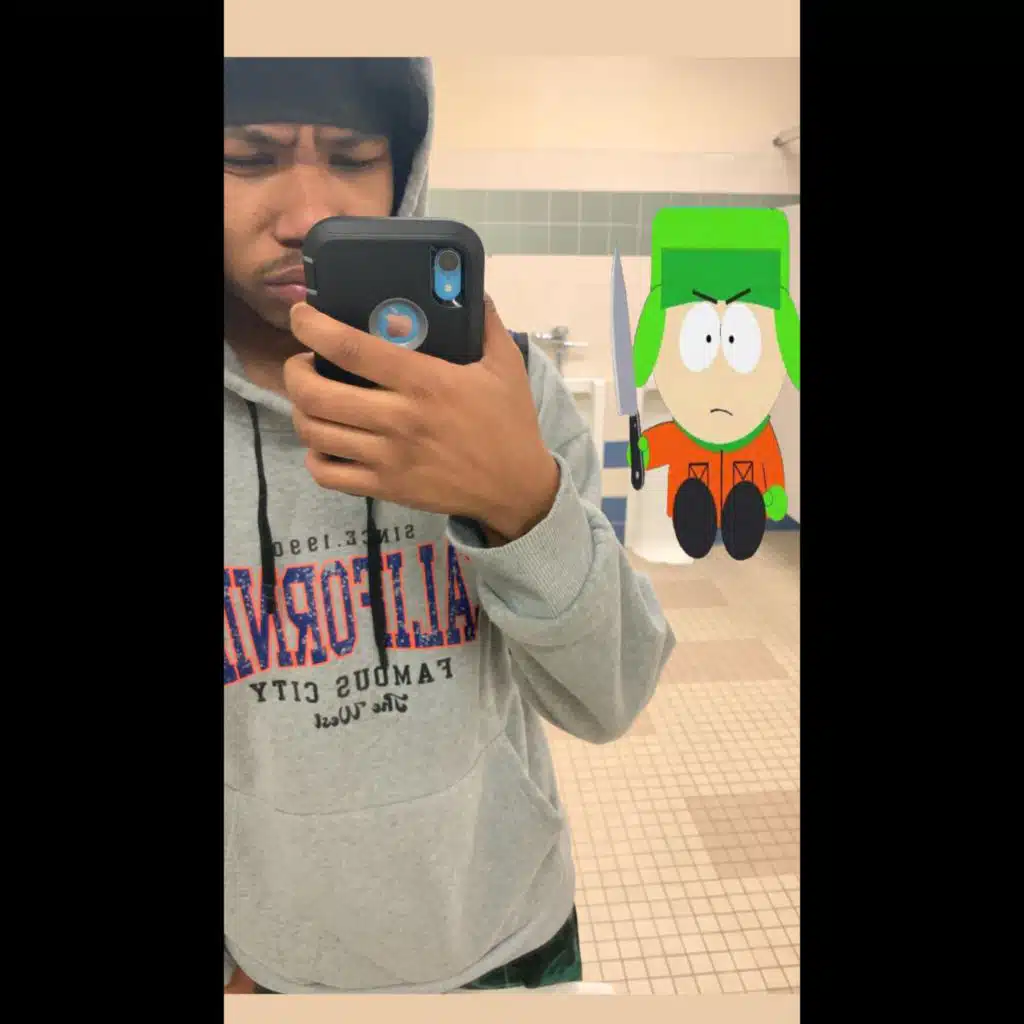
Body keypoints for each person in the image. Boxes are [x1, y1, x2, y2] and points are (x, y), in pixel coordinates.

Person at [223, 57, 675, 995]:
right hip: (280, 969)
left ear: (405, 169)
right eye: (250, 158)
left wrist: (521, 502)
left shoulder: (506, 390)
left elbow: (614, 696)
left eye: (353, 157)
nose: (307, 214)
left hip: (511, 933)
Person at [627, 207, 800, 560]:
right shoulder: (686, 434)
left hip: (741, 498)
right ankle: (699, 515)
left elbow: (770, 463)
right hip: (695, 502)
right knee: (694, 497)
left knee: (742, 497)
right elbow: (661, 444)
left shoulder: (757, 436)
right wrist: (643, 452)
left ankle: (738, 517)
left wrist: (775, 493)